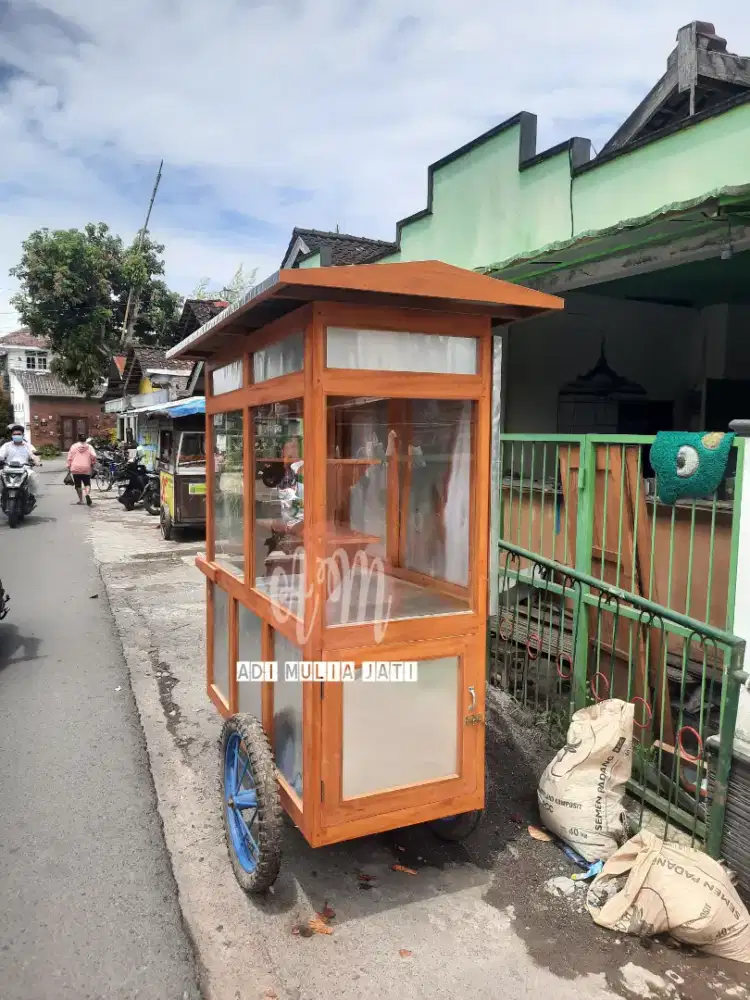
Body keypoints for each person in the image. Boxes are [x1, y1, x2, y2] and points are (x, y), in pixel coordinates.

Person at [0, 424, 41, 498]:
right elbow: (1, 455)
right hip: (8, 469)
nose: (16, 436)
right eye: (14, 434)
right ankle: (1, 495)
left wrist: (37, 461)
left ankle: (31, 495)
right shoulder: (6, 445)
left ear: (22, 435)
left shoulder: (28, 446)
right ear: (11, 435)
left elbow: (34, 454)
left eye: (19, 434)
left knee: (33, 476)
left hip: (24, 469)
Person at [67, 432, 97, 506]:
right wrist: (93, 463)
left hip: (75, 468)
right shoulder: (89, 447)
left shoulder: (73, 446)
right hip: (86, 467)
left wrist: (69, 466)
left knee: (78, 485)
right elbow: (94, 455)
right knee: (87, 483)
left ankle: (81, 500)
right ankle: (87, 494)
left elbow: (69, 457)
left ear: (78, 438)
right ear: (86, 439)